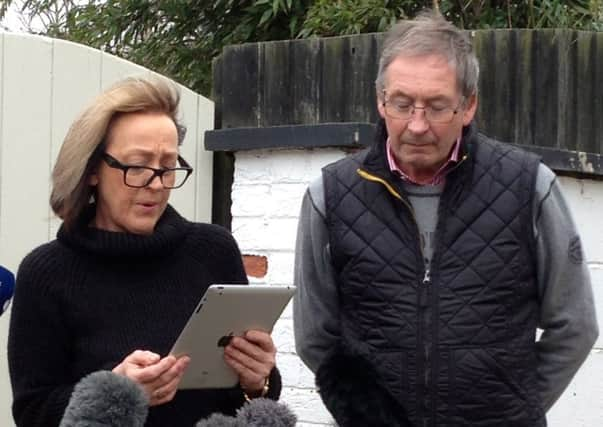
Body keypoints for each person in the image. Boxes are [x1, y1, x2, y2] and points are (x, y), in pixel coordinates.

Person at [293, 10, 599, 427]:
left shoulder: (530, 187)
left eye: (436, 107)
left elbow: (575, 327)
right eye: (402, 104)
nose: (417, 125)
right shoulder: (329, 196)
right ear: (380, 99)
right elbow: (316, 339)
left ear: (468, 105)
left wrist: (515, 412)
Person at [8, 77, 281, 427]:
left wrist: (258, 380)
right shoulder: (46, 273)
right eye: (137, 166)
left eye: (168, 167)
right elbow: (32, 412)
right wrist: (114, 393)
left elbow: (247, 394)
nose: (156, 184)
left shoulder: (213, 250)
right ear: (92, 169)